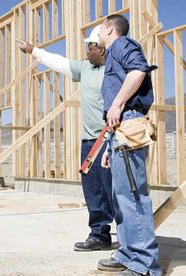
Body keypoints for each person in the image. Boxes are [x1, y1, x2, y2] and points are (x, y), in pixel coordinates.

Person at [17, 25, 115, 251]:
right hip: (89, 141)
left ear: (101, 49)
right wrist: (34, 51)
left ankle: (130, 239)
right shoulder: (86, 68)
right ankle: (99, 235)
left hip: (109, 141)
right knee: (93, 190)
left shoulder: (115, 70)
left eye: (90, 47)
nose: (86, 51)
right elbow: (60, 62)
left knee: (114, 190)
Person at [97, 14, 161, 276]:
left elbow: (138, 70)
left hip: (129, 124)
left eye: (100, 30)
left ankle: (144, 264)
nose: (98, 35)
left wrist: (117, 103)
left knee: (133, 197)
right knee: (120, 197)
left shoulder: (122, 45)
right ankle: (127, 253)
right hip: (119, 131)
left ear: (110, 29)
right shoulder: (112, 53)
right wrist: (108, 144)